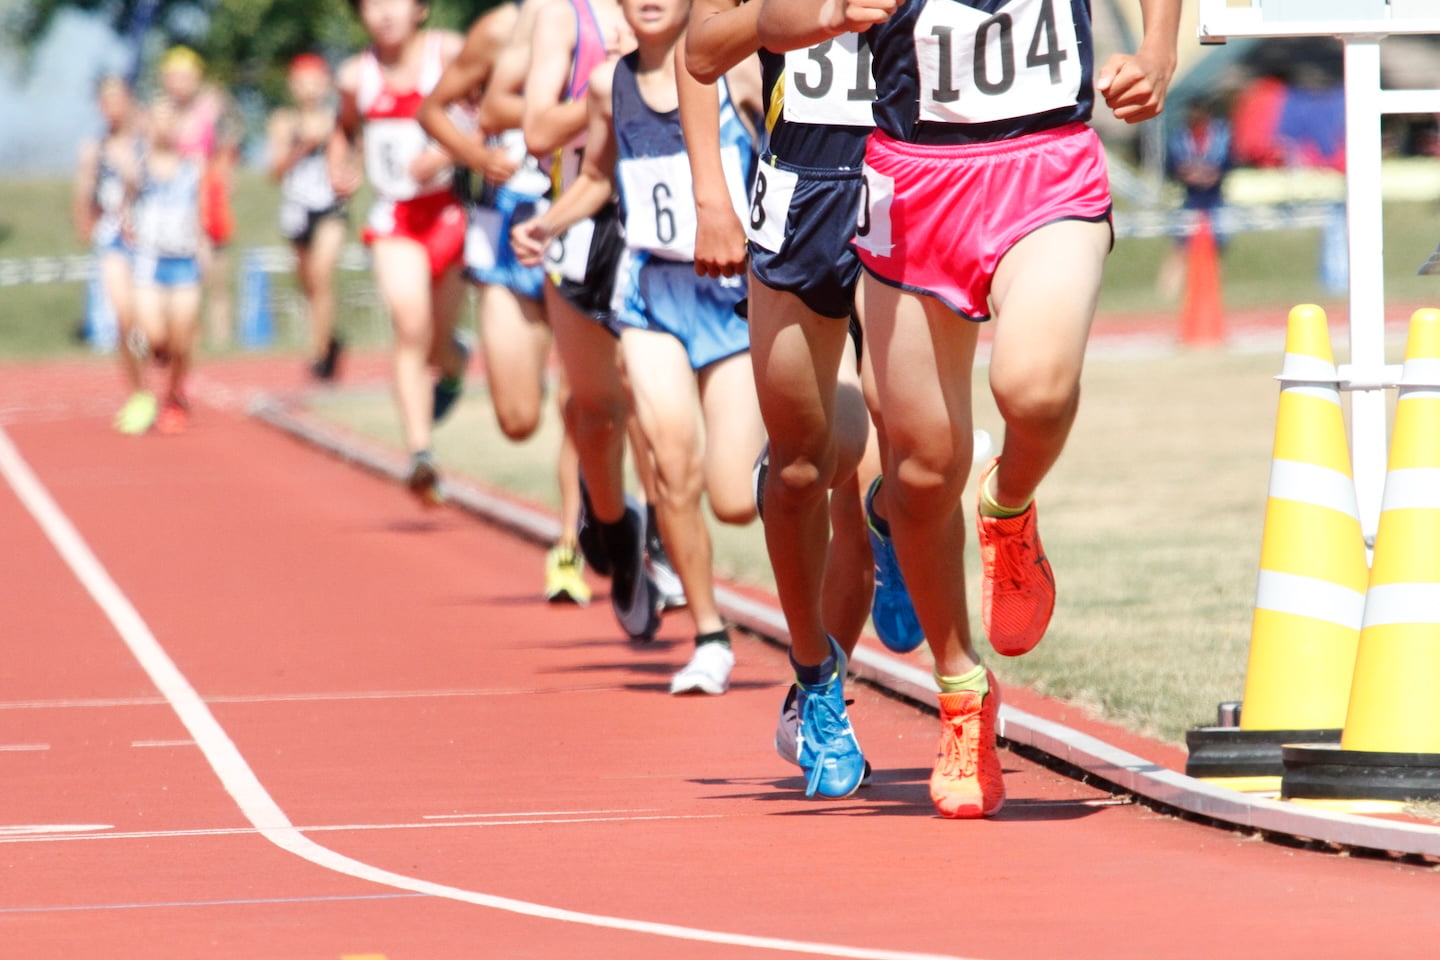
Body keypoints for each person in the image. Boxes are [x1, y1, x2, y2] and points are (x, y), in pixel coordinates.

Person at [756, 0, 1181, 817]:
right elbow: (747, 25)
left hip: (1046, 163)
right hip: (915, 186)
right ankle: (961, 690)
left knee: (1034, 387)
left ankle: (1009, 503)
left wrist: (1159, 49)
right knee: (918, 474)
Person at [681, 3, 922, 795]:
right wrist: (713, 197)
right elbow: (702, 47)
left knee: (909, 422)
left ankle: (894, 516)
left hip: (915, 178)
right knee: (798, 470)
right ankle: (815, 682)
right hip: (802, 192)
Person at [513, 0, 768, 694]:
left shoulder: (738, 69)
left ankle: (789, 474)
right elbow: (598, 176)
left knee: (733, 497)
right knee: (670, 461)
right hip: (651, 297)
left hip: (732, 298)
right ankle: (710, 634)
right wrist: (547, 223)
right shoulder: (608, 85)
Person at [418, 0, 591, 605]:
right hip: (504, 227)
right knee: (518, 420)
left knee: (580, 396)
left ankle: (570, 543)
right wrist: (475, 156)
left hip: (581, 222)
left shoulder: (613, 19)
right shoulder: (500, 28)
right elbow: (436, 109)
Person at [512, 0, 670, 642]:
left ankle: (664, 541)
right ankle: (614, 525)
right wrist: (617, 84)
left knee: (654, 395)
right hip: (584, 219)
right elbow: (537, 129)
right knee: (598, 411)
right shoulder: (562, 14)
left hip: (664, 220)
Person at [330, 0, 468, 504]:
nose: (383, 13)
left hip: (450, 213)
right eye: (370, 4)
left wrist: (450, 150)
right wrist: (340, 165)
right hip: (396, 218)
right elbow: (343, 130)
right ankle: (420, 453)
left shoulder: (448, 54)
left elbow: (494, 111)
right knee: (410, 325)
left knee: (437, 340)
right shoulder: (355, 75)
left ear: (422, 9)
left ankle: (453, 363)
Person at [73, 75, 151, 434]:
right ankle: (139, 393)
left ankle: (167, 384)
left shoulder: (145, 142)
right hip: (113, 241)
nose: (113, 107)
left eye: (119, 99)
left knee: (153, 325)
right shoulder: (96, 148)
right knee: (123, 318)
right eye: (106, 100)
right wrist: (84, 220)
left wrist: (132, 169)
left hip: (150, 241)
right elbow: (86, 189)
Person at [268, 53, 349, 380]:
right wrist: (302, 146)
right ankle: (330, 338)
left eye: (316, 82)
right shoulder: (283, 122)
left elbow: (349, 163)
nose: (309, 89)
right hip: (296, 210)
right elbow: (274, 171)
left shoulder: (337, 120)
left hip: (329, 208)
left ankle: (318, 353)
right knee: (307, 285)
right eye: (303, 82)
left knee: (321, 275)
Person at [129, 96, 206, 434]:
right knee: (155, 337)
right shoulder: (138, 166)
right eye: (156, 117)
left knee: (182, 340)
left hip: (184, 262)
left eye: (169, 118)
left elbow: (202, 212)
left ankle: (174, 396)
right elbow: (123, 205)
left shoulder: (193, 166)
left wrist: (204, 244)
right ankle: (156, 370)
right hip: (149, 260)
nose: (163, 125)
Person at [156, 46, 240, 349]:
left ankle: (221, 339)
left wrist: (225, 178)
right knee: (179, 275)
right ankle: (188, 336)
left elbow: (227, 147)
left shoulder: (211, 108)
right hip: (171, 202)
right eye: (174, 77)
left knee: (215, 271)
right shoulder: (160, 113)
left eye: (186, 77)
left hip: (207, 194)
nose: (180, 84)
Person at [1157, 98, 1232, 301]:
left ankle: (1212, 291)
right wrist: (1187, 173)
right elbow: (1172, 165)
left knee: (1216, 248)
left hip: (1215, 198)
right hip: (1190, 199)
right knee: (1180, 246)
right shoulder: (1180, 136)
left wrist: (1212, 174)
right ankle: (1167, 293)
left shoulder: (1222, 135)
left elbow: (1228, 162)